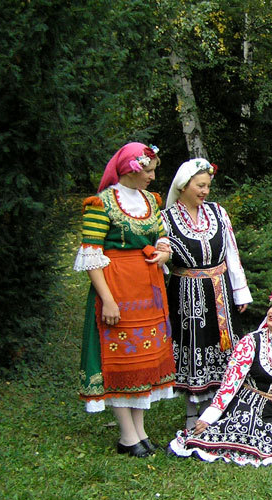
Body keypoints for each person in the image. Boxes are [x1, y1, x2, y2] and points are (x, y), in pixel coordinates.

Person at [73, 142, 175, 457]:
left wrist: (163, 251)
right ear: (132, 168)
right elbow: (91, 255)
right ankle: (127, 436)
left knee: (144, 359)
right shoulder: (101, 203)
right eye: (149, 170)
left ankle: (140, 431)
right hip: (117, 288)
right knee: (120, 358)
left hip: (148, 290)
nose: (153, 177)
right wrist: (108, 300)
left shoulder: (150, 201)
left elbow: (161, 236)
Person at [168, 285, 272, 465]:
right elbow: (230, 384)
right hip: (244, 405)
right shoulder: (251, 342)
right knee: (244, 425)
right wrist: (208, 417)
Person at [162, 158, 252, 430]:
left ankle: (218, 407)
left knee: (222, 347)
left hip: (220, 292)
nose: (205, 191)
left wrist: (240, 292)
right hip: (186, 295)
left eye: (208, 186)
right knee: (193, 348)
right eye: (200, 185)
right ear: (183, 186)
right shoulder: (165, 219)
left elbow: (231, 252)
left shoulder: (217, 213)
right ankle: (192, 412)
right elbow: (162, 259)